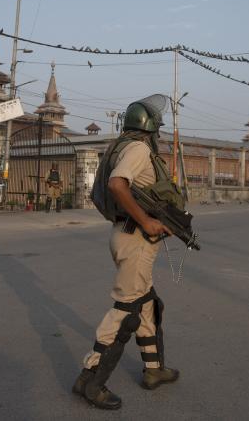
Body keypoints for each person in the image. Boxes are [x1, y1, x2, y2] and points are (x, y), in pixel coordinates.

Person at [73, 95, 181, 410]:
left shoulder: (122, 145)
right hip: (134, 239)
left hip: (129, 235)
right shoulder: (138, 149)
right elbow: (117, 185)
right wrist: (147, 220)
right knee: (126, 312)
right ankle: (90, 380)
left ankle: (153, 370)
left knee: (148, 304)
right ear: (151, 128)